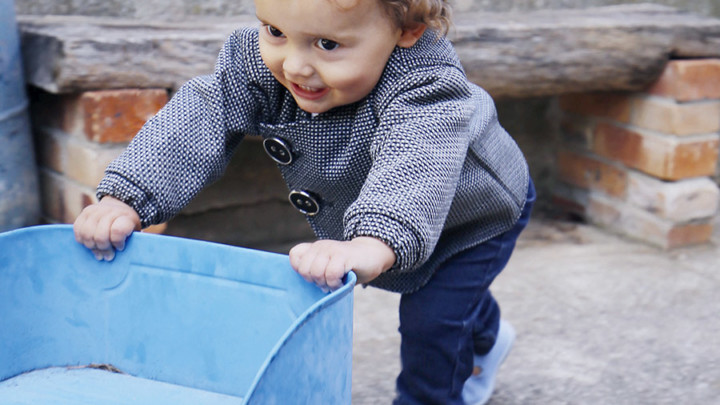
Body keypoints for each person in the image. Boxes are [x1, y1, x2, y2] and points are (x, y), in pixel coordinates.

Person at [73, 0, 534, 403]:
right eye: (275, 31)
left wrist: (371, 240)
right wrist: (127, 197)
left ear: (407, 30)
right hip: (398, 225)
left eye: (327, 45)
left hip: (475, 217)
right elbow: (202, 116)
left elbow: (416, 160)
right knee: (449, 299)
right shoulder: (259, 65)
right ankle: (487, 336)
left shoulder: (427, 89)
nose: (293, 65)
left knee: (432, 324)